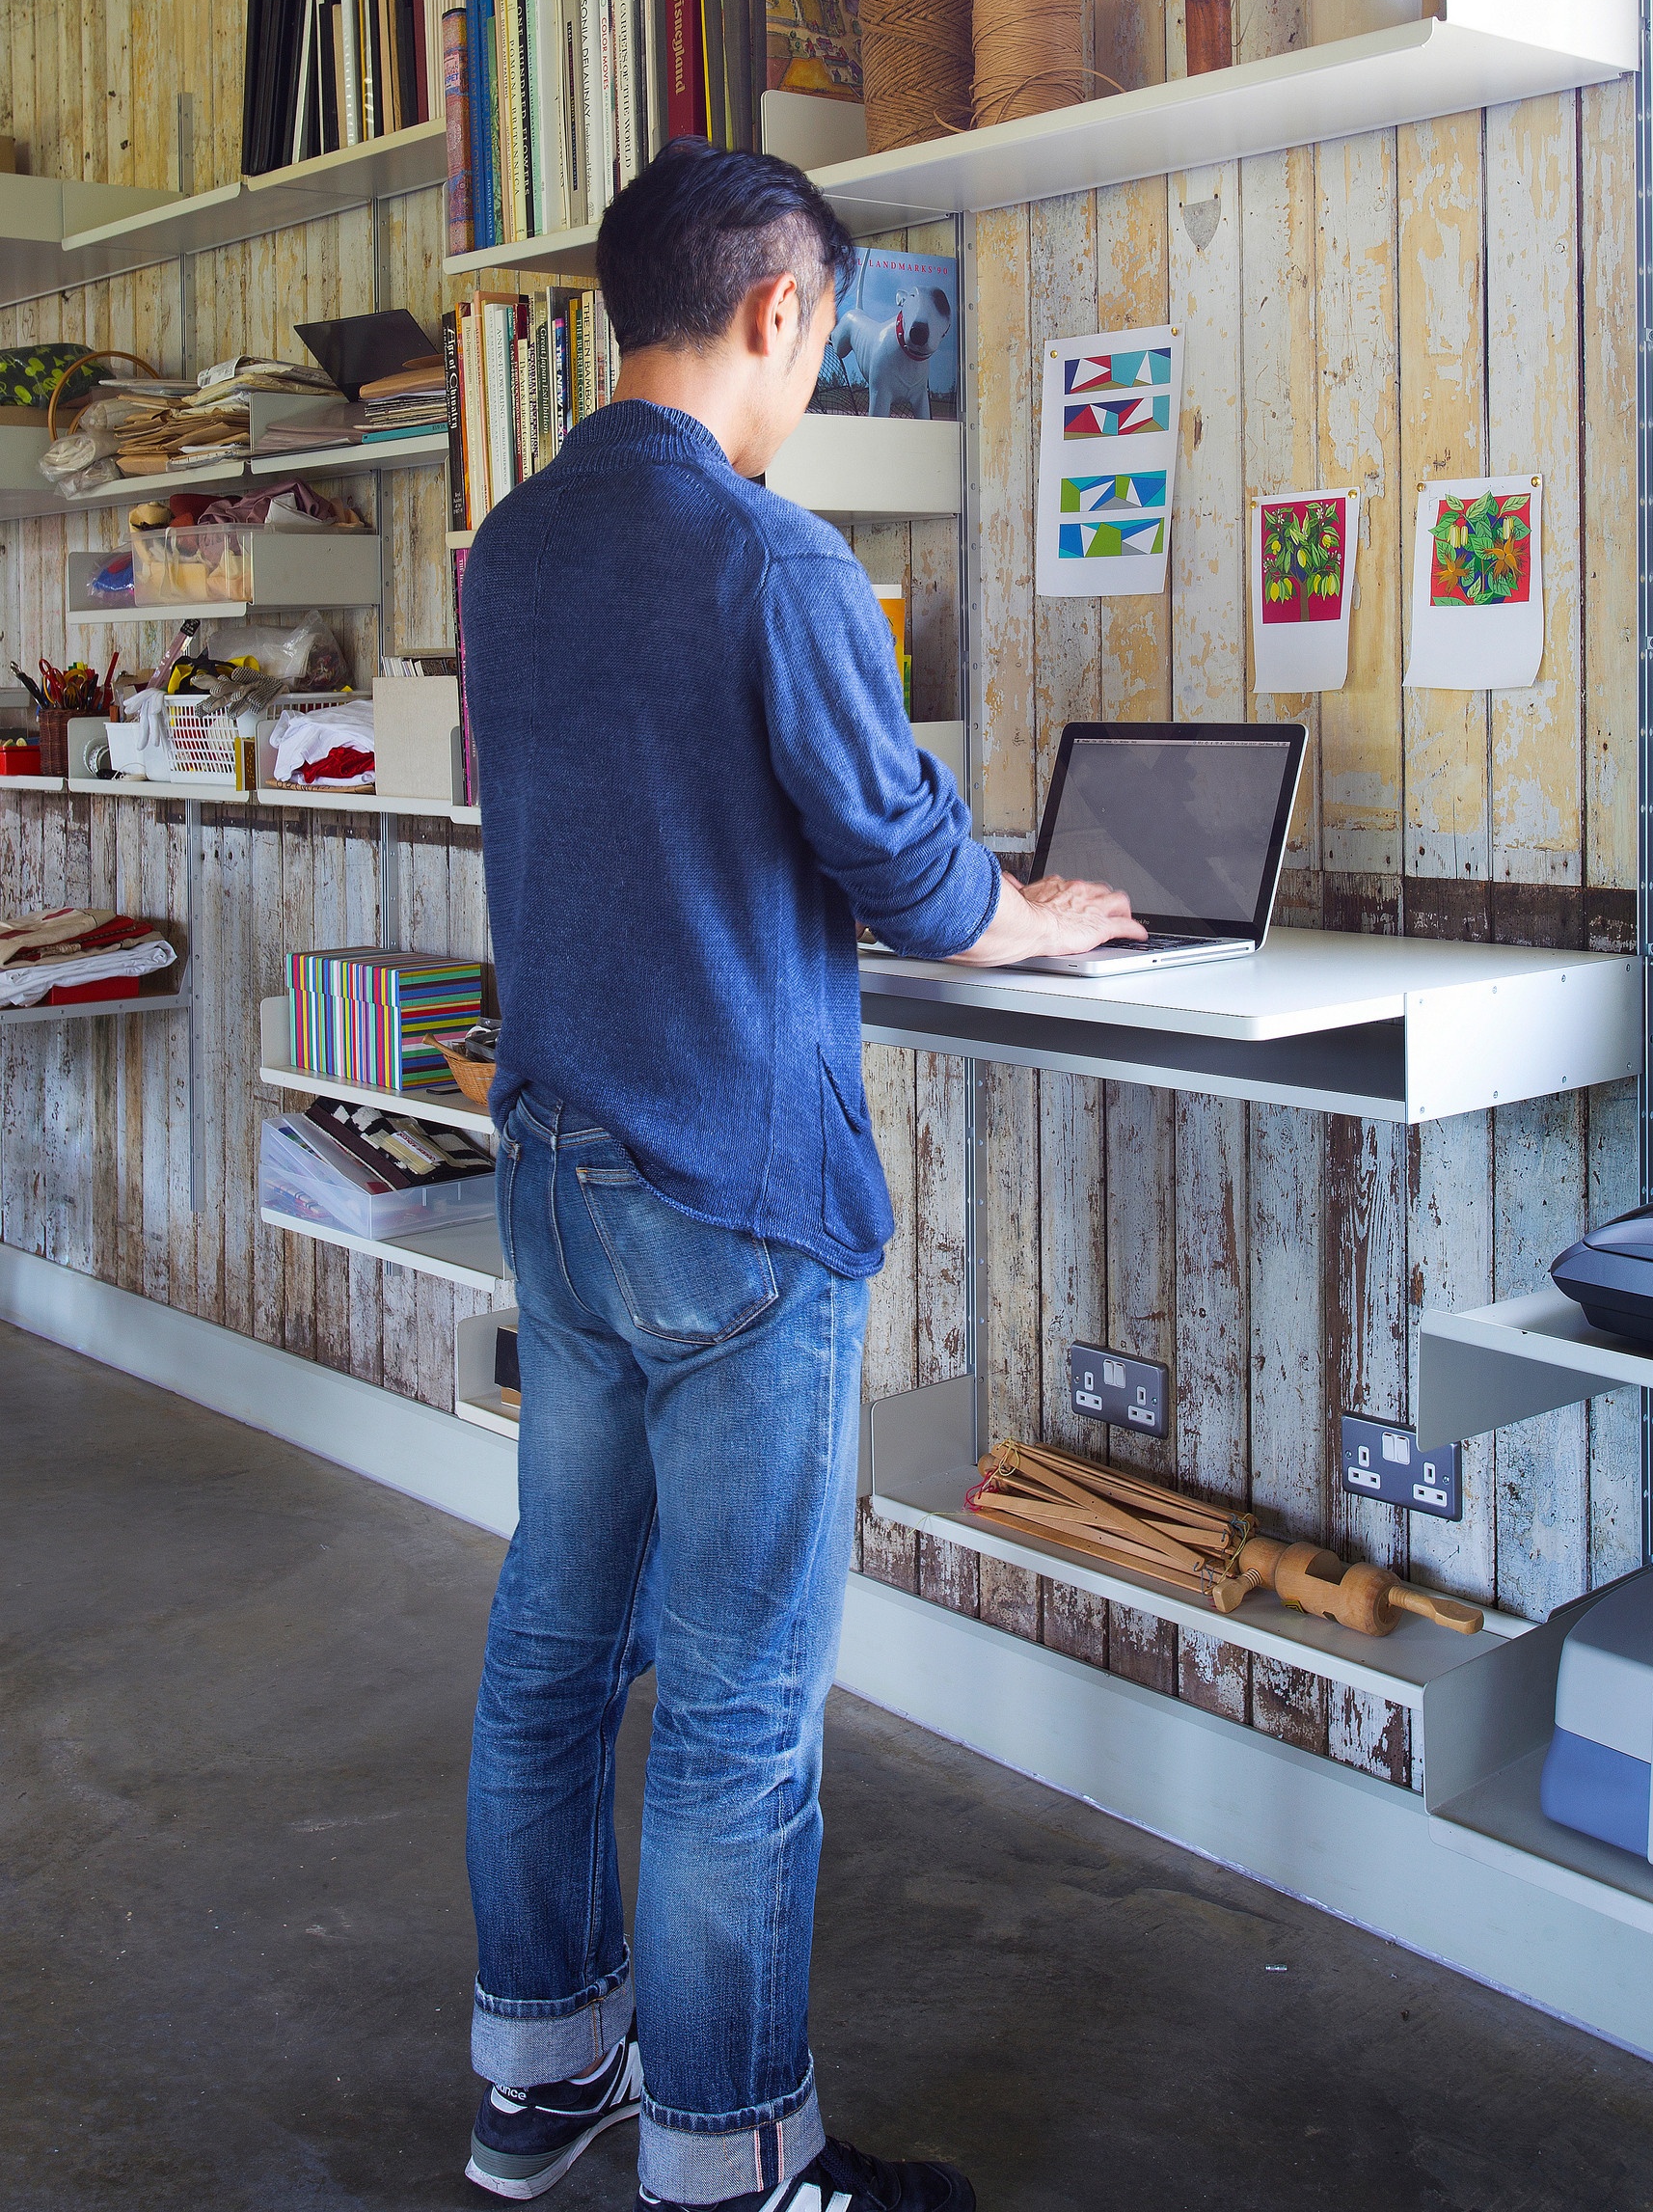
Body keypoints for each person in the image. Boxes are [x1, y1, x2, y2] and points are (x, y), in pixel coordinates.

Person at [459, 138, 1142, 2211]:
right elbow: (911, 869)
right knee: (743, 1708)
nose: (818, 370)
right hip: (738, 1197)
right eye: (826, 334)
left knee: (555, 1653)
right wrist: (1034, 912)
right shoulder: (774, 560)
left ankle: (537, 2082)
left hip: (562, 1170)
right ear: (780, 312)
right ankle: (732, 2162)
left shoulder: (513, 548)